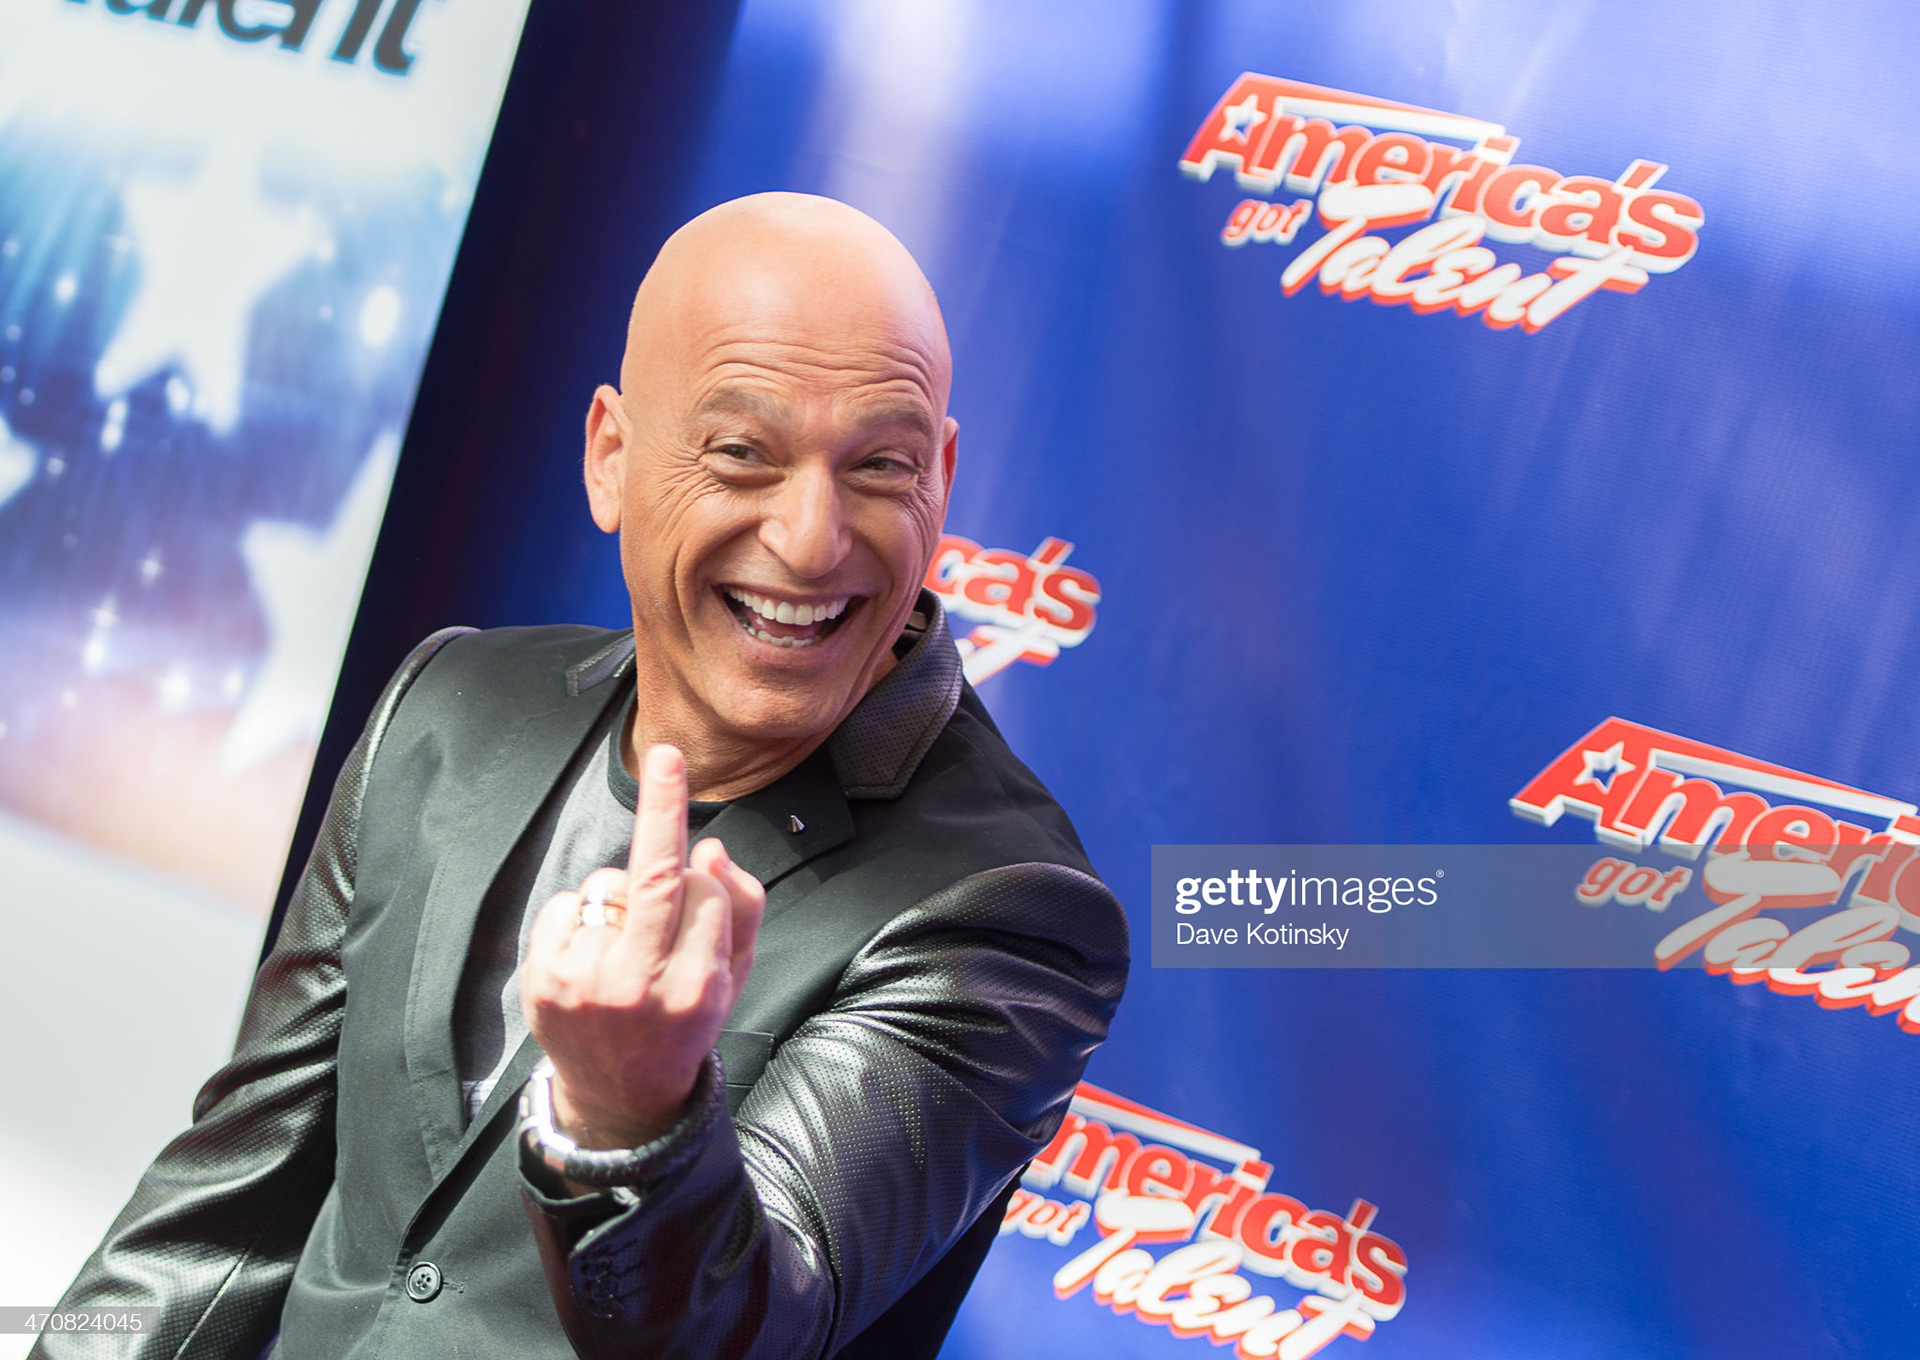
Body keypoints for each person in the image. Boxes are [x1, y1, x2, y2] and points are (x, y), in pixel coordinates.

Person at [36, 193, 1127, 1359]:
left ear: (941, 478)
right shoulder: (447, 704)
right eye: (743, 453)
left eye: (878, 466)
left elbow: (746, 1329)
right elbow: (216, 1220)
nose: (812, 539)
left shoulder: (1007, 908)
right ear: (612, 456)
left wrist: (629, 1121)